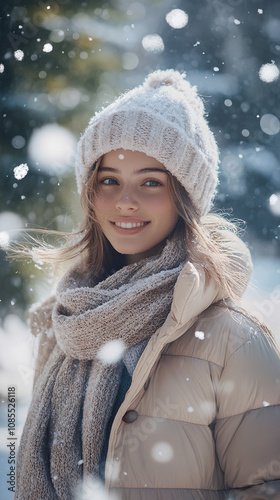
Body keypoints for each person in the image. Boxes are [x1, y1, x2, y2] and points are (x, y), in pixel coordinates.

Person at [15, 69, 280, 500]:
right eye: (109, 180)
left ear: (185, 197)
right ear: (90, 193)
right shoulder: (61, 321)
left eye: (151, 182)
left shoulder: (235, 341)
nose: (125, 200)